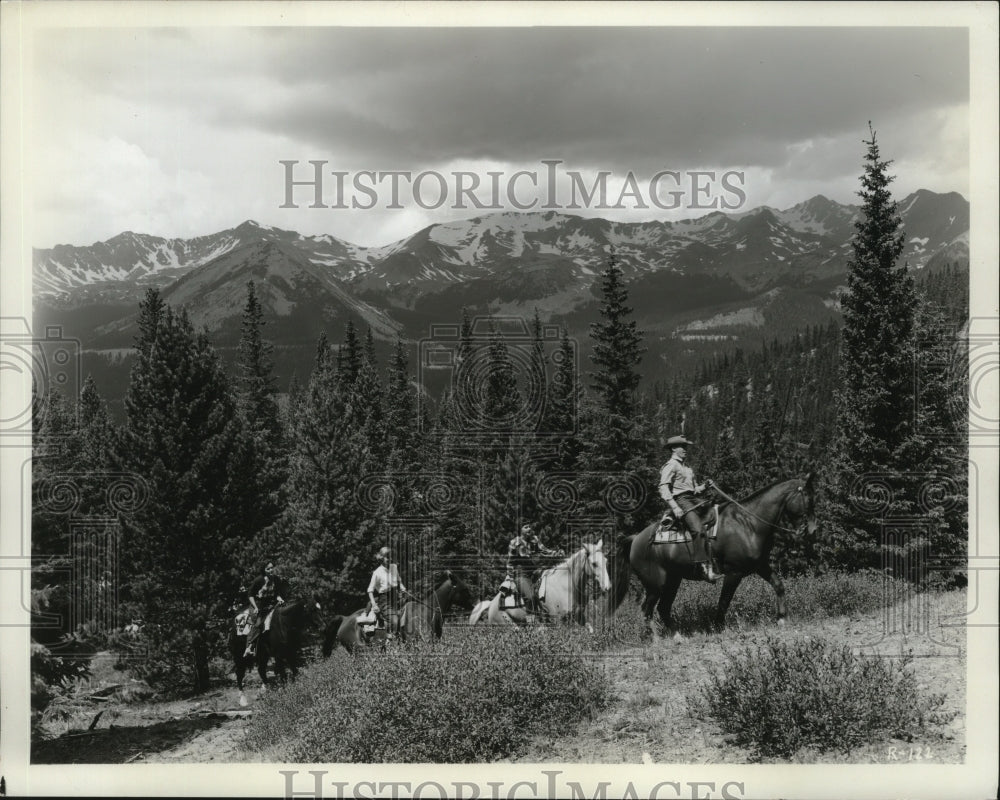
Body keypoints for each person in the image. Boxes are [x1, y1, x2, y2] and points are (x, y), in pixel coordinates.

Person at [659, 435, 721, 583]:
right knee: (698, 530)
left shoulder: (687, 467)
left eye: (686, 447)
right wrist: (674, 506)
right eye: (683, 446)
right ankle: (703, 568)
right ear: (674, 448)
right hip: (681, 500)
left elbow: (694, 490)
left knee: (718, 512)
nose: (686, 450)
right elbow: (663, 487)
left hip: (693, 499)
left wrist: (704, 486)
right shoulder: (671, 465)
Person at [501, 523, 558, 613]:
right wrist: (511, 580)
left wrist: (555, 553)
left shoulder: (534, 539)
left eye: (530, 527)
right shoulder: (515, 543)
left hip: (535, 571)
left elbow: (545, 550)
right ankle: (530, 624)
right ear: (520, 530)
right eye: (526, 527)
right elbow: (510, 563)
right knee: (530, 598)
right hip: (521, 574)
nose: (529, 529)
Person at [244, 562, 290, 657]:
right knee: (258, 623)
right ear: (264, 570)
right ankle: (249, 647)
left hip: (270, 605)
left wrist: (279, 598)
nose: (271, 570)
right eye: (268, 569)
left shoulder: (276, 579)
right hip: (257, 605)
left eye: (272, 568)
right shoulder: (258, 580)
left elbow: (276, 593)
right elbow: (250, 595)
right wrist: (255, 607)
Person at [367, 546, 409, 637]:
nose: (389, 559)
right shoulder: (377, 573)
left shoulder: (394, 567)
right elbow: (370, 590)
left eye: (391, 556)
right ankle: (391, 641)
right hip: (384, 601)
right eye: (387, 557)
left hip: (396, 598)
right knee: (394, 620)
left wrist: (402, 587)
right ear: (381, 558)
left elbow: (398, 580)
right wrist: (374, 605)